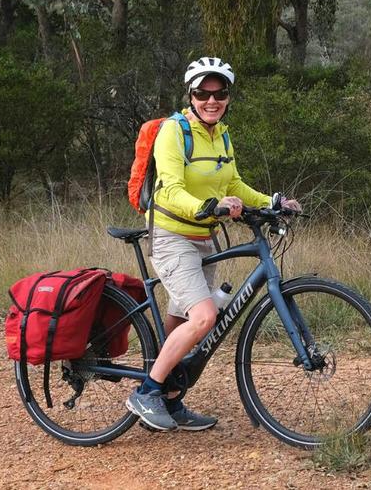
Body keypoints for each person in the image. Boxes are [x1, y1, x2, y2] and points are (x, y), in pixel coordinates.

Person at [125, 57, 301, 432]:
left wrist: (271, 202)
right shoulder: (175, 132)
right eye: (203, 93)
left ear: (227, 97)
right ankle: (147, 392)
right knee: (204, 317)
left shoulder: (221, 133)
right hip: (172, 237)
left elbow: (233, 184)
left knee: (184, 322)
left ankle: (171, 400)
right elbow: (170, 189)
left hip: (204, 237)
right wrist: (208, 207)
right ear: (190, 95)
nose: (211, 100)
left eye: (219, 93)